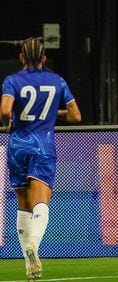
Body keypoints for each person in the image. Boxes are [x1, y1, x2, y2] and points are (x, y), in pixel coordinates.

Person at [1, 37, 82, 279]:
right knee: (41, 201)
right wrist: (48, 113)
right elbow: (76, 116)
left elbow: (5, 110)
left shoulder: (12, 81)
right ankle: (34, 245)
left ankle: (29, 265)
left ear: (21, 58)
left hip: (17, 145)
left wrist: (8, 124)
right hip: (42, 146)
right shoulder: (57, 80)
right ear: (44, 58)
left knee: (23, 203)